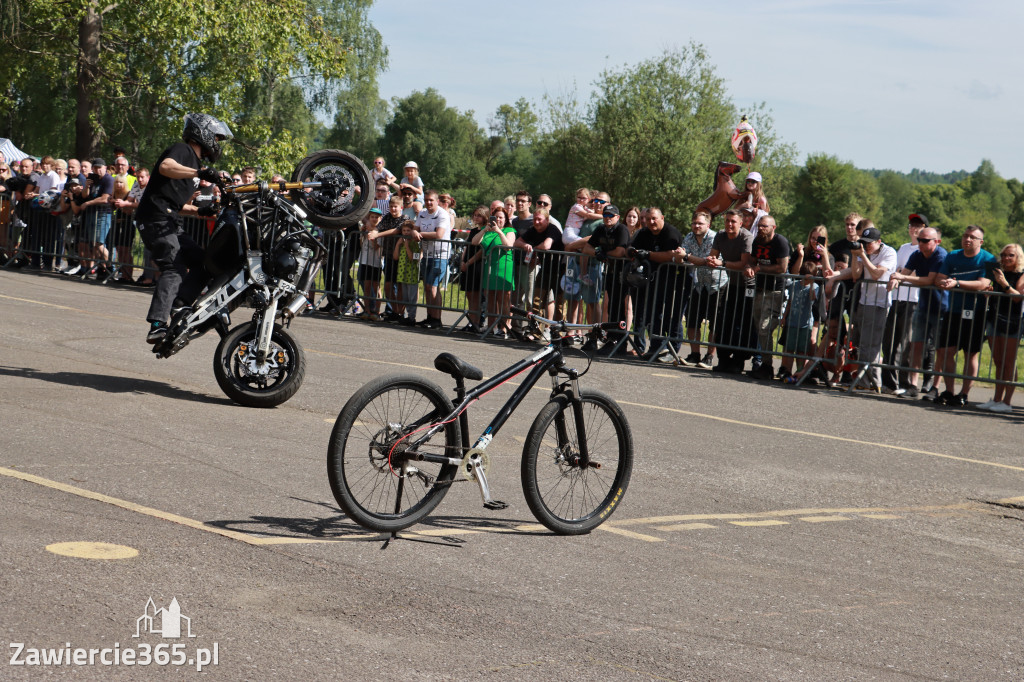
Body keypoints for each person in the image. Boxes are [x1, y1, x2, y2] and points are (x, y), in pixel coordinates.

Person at [136, 113, 233, 343]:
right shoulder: (183, 150)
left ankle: (180, 306)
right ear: (203, 133)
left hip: (169, 220)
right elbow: (165, 166)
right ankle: (158, 324)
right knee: (173, 268)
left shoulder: (195, 165)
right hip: (155, 219)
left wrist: (200, 211)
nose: (216, 144)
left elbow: (176, 205)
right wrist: (198, 173)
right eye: (216, 138)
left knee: (203, 263)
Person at [932, 225, 997, 406]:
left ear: (980, 242)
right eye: (965, 236)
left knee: (971, 354)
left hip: (976, 312)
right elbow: (938, 278)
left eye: (972, 237)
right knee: (945, 351)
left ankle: (964, 394)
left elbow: (983, 284)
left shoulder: (989, 259)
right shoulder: (952, 255)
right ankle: (949, 391)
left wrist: (957, 283)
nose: (967, 239)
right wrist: (944, 281)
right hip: (952, 310)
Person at [888, 226, 947, 398]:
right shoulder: (916, 255)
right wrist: (894, 280)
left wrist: (902, 278)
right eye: (919, 240)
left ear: (936, 241)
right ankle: (913, 386)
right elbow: (903, 273)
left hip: (942, 307)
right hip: (923, 305)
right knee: (916, 345)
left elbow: (930, 280)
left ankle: (934, 388)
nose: (921, 243)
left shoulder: (940, 255)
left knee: (940, 350)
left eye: (925, 240)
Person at [841, 224, 896, 390]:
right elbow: (857, 275)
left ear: (879, 241)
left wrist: (863, 256)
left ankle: (869, 382)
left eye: (869, 243)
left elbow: (877, 274)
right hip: (864, 302)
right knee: (861, 344)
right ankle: (873, 383)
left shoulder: (889, 252)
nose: (866, 246)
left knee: (871, 345)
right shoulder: (864, 251)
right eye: (863, 243)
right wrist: (854, 255)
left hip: (879, 303)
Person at [629, 207, 686, 360]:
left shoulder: (670, 233)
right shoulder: (644, 232)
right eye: (648, 219)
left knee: (670, 317)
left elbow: (670, 255)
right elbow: (633, 247)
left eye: (654, 218)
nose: (651, 222)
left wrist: (648, 254)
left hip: (673, 281)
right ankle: (656, 347)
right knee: (651, 314)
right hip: (652, 280)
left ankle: (673, 351)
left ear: (662, 217)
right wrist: (632, 252)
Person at [880, 214, 928, 392]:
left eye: (918, 225)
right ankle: (889, 382)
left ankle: (905, 382)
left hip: (912, 300)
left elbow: (915, 274)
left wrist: (903, 275)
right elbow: (896, 271)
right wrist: (902, 274)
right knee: (890, 341)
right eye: (911, 225)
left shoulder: (924, 251)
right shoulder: (903, 248)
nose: (914, 228)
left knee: (906, 343)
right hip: (897, 298)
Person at [706, 209, 756, 374]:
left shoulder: (746, 237)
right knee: (724, 321)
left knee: (742, 324)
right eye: (727, 220)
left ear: (740, 223)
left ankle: (738, 362)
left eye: (733, 221)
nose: (729, 224)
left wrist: (722, 263)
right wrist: (712, 260)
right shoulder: (720, 235)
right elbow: (713, 257)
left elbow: (744, 264)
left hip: (749, 286)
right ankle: (723, 360)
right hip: (732, 284)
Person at [744, 214, 790, 380]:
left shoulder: (780, 242)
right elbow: (753, 261)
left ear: (773, 227)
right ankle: (765, 365)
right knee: (760, 327)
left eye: (765, 226)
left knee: (765, 328)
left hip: (775, 290)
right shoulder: (757, 241)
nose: (761, 229)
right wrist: (750, 267)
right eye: (760, 226)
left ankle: (768, 366)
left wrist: (759, 269)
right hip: (760, 288)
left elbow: (782, 268)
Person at [979, 244, 1024, 413]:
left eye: (1010, 255)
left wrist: (1003, 283)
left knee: (1009, 362)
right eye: (1003, 255)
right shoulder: (998, 271)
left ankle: (1007, 402)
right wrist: (990, 290)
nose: (1006, 258)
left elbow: (1018, 297)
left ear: (1018, 257)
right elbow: (998, 292)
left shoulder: (1021, 274)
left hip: (1013, 321)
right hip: (995, 318)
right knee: (998, 360)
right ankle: (997, 398)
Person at [681, 209, 723, 368]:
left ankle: (709, 357)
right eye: (694, 223)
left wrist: (687, 257)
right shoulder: (689, 236)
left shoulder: (714, 237)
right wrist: (686, 257)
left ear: (708, 224)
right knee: (692, 320)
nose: (696, 226)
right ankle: (694, 354)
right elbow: (682, 254)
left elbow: (707, 260)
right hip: (698, 284)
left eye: (700, 223)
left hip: (716, 284)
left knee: (714, 322)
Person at [515, 209, 563, 338]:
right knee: (536, 301)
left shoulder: (552, 229)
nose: (536, 222)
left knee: (559, 305)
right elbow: (516, 242)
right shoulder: (533, 229)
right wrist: (526, 245)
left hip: (560, 271)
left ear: (547, 220)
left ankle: (559, 334)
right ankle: (536, 332)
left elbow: (547, 245)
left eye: (539, 220)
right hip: (545, 270)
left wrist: (534, 248)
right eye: (534, 219)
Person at [477, 206, 517, 337]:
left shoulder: (509, 230)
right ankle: (492, 327)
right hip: (490, 267)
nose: (498, 219)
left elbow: (508, 246)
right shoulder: (487, 230)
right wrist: (484, 231)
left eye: (501, 217)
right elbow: (474, 241)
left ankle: (504, 328)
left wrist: (499, 232)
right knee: (491, 298)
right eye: (496, 217)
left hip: (504, 267)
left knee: (504, 299)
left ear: (505, 219)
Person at [414, 190, 452, 329]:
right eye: (427, 200)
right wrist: (414, 231)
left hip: (440, 255)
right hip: (427, 254)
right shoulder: (422, 213)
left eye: (431, 200)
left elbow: (439, 234)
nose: (429, 202)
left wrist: (419, 234)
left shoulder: (442, 214)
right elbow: (415, 228)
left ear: (437, 201)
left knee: (433, 287)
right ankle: (430, 316)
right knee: (427, 287)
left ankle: (437, 319)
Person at [780, 261, 821, 382]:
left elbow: (813, 297)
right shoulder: (794, 285)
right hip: (792, 321)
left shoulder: (815, 287)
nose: (806, 280)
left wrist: (812, 283)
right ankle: (786, 371)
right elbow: (790, 302)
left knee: (802, 350)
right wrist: (784, 317)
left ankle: (799, 372)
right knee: (788, 348)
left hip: (805, 324)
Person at [457, 206, 489, 333]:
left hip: (477, 265)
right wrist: (462, 261)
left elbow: (481, 251)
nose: (476, 218)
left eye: (479, 215)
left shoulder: (486, 231)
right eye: (475, 215)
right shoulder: (473, 231)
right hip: (467, 265)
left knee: (476, 296)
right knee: (470, 296)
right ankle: (471, 322)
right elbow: (467, 247)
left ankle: (476, 322)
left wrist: (469, 263)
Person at [357, 208, 384, 320]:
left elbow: (376, 247)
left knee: (376, 287)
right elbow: (361, 245)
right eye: (372, 217)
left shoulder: (380, 231)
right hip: (364, 260)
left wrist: (372, 237)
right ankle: (367, 310)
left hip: (376, 262)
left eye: (376, 217)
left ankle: (376, 312)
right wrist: (363, 234)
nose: (374, 219)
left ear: (380, 218)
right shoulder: (366, 229)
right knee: (367, 286)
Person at [393, 220, 421, 326]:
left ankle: (411, 317)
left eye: (408, 230)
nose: (405, 232)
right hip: (402, 273)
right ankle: (405, 315)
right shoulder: (402, 242)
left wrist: (406, 245)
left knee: (411, 297)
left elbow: (412, 258)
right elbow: (395, 257)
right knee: (405, 297)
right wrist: (398, 244)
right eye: (404, 230)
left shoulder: (415, 242)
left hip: (412, 274)